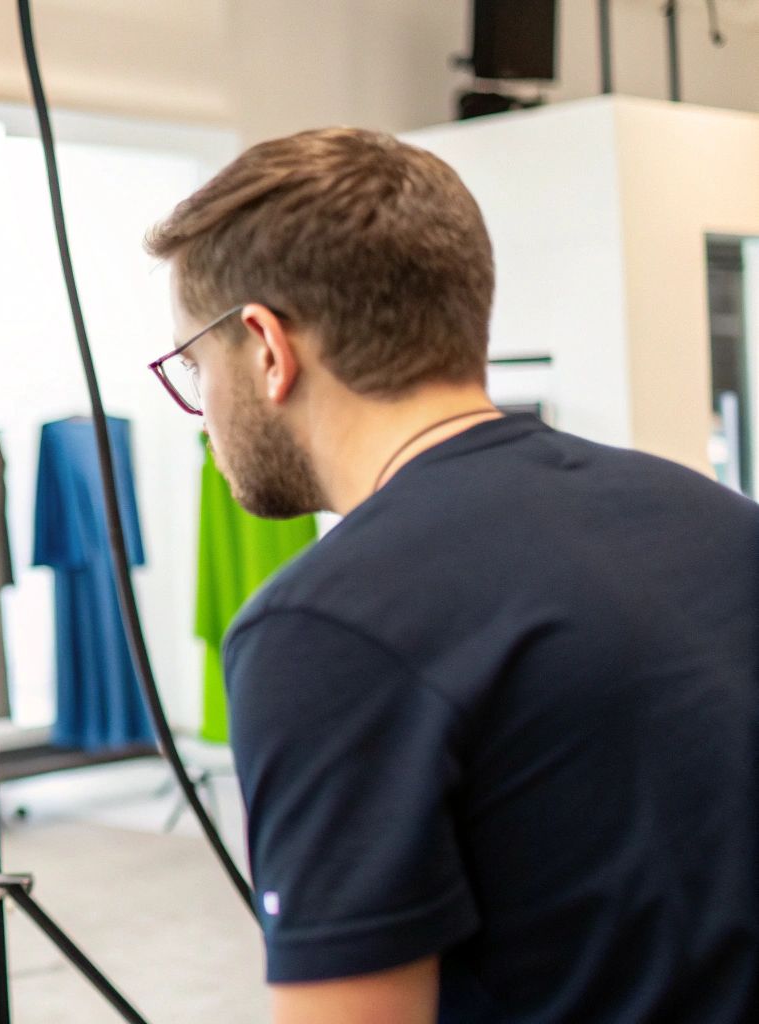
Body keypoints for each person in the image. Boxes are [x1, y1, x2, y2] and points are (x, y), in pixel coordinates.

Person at [143, 127, 758, 1022]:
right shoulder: (720, 521)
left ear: (268, 348)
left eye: (194, 368)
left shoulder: (323, 629)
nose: (202, 414)